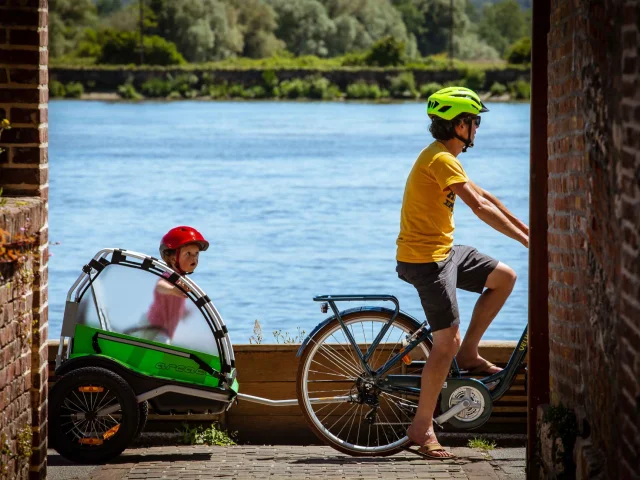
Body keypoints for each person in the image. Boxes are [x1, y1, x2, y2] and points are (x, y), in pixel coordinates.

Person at [395, 87, 529, 459]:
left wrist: (531, 233)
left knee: (504, 278)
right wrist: (528, 242)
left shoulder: (446, 158)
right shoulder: (440, 159)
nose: (477, 128)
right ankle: (421, 428)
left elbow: (488, 198)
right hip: (425, 260)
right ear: (459, 124)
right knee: (444, 343)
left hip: (445, 253)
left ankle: (469, 354)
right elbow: (478, 209)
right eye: (475, 121)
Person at [135, 226, 210, 343]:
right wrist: (173, 289)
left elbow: (174, 303)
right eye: (188, 254)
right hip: (152, 324)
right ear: (172, 258)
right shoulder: (169, 275)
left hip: (165, 328)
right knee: (140, 348)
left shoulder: (182, 279)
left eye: (196, 254)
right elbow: (160, 286)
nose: (193, 257)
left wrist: (183, 312)